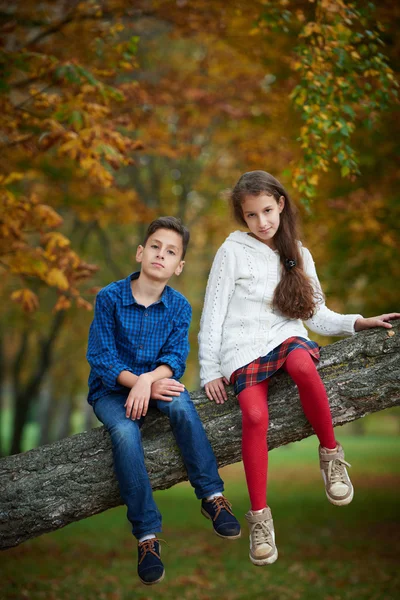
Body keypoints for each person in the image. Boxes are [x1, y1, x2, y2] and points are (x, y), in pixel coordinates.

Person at [198, 170, 400, 567]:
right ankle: (260, 520)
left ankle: (331, 457)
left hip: (285, 337)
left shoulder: (299, 253)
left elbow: (316, 314)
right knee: (255, 415)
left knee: (304, 366)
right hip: (241, 350)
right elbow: (213, 314)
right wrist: (209, 370)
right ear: (243, 217)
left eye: (268, 211)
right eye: (252, 215)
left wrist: (357, 322)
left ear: (281, 204)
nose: (262, 222)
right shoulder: (232, 250)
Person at [86, 216, 241, 586]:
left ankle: (212, 496)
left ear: (178, 265)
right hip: (110, 390)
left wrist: (149, 382)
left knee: (183, 405)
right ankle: (147, 537)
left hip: (156, 383)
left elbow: (174, 358)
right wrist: (138, 384)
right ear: (141, 252)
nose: (161, 255)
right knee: (125, 434)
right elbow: (102, 358)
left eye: (170, 252)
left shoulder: (179, 306)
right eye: (155, 246)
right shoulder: (109, 298)